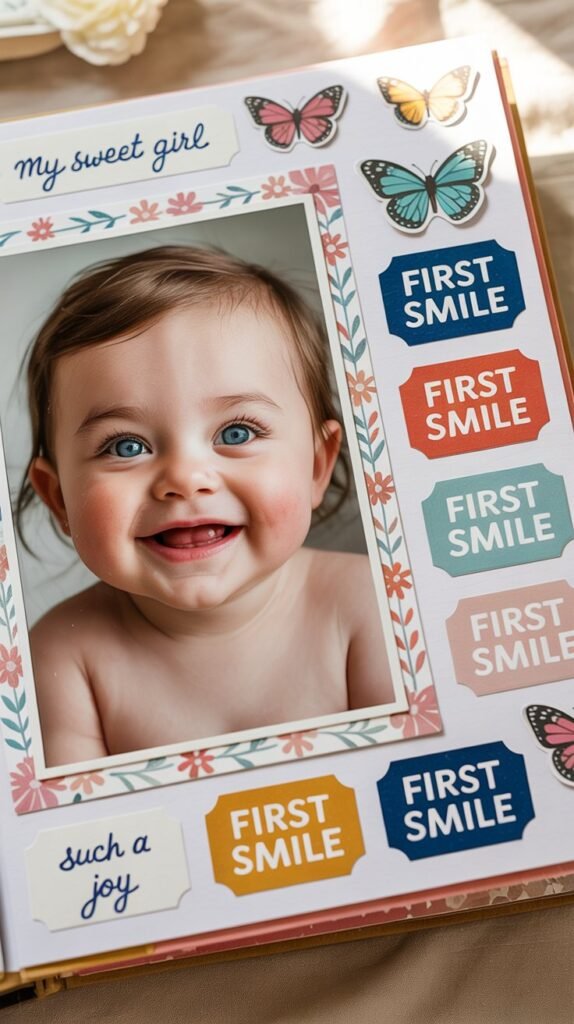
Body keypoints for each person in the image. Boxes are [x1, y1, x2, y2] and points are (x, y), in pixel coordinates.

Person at [16, 245, 394, 767]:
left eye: (236, 432)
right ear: (59, 497)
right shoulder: (61, 657)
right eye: (126, 446)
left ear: (315, 465)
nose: (185, 479)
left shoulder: (373, 609)